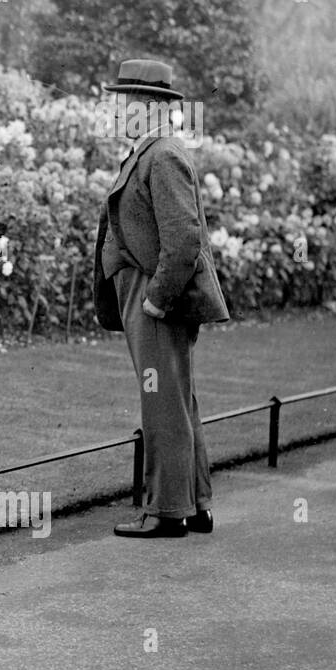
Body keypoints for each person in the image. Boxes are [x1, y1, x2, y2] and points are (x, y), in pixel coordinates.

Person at [91, 59, 231, 538]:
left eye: (122, 104)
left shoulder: (163, 155)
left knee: (162, 404)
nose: (115, 111)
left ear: (148, 108)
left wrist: (156, 300)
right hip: (143, 295)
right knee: (175, 400)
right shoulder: (147, 151)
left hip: (154, 301)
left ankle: (166, 513)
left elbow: (184, 238)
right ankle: (194, 505)